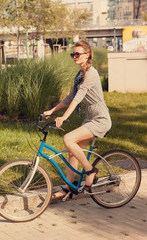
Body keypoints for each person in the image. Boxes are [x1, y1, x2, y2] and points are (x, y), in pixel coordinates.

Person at [43, 40, 112, 199]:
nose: (74, 56)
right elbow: (70, 97)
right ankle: (69, 189)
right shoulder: (80, 74)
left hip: (100, 119)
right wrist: (52, 111)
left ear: (87, 55)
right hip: (90, 118)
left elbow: (78, 98)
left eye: (77, 54)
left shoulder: (91, 74)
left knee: (68, 139)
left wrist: (64, 117)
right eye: (73, 54)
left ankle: (91, 171)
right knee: (73, 153)